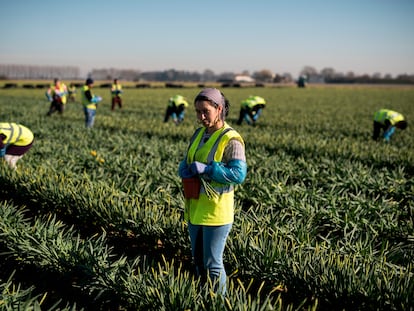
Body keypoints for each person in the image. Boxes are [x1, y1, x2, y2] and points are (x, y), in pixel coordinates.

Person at [178, 88, 247, 295]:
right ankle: (203, 298)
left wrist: (208, 170)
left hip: (217, 211)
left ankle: (220, 302)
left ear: (219, 109)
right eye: (197, 112)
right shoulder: (199, 133)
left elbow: (238, 174)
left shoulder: (232, 139)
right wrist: (184, 167)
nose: (200, 117)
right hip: (195, 206)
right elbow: (189, 157)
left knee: (212, 263)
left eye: (205, 111)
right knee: (198, 261)